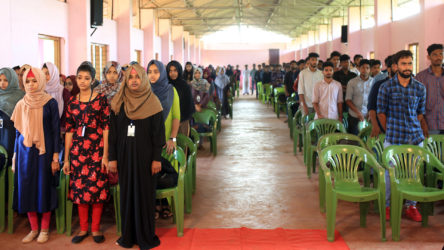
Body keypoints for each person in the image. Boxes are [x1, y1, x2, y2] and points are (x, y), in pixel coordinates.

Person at [109, 64, 164, 249]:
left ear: (143, 79)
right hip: (124, 157)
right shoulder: (119, 102)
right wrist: (112, 158)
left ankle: (145, 237)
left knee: (144, 195)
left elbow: (158, 134)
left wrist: (157, 158)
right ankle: (128, 236)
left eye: (137, 77)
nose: (133, 80)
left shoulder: (153, 102)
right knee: (127, 194)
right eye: (130, 77)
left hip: (146, 158)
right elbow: (113, 134)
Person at [377, 50, 428, 222]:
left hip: (414, 138)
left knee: (413, 173)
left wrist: (411, 127)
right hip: (393, 139)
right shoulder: (386, 87)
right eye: (404, 64)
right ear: (396, 66)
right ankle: (388, 206)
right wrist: (390, 129)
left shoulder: (420, 87)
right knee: (390, 174)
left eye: (409, 63)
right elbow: (381, 113)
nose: (407, 67)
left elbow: (420, 114)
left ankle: (411, 206)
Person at [11, 67, 60, 244]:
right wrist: (15, 157)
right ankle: (33, 229)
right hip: (24, 153)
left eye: (34, 81)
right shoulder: (20, 104)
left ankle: (44, 229)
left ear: (41, 81)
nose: (31, 85)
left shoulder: (50, 103)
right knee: (27, 189)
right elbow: (17, 133)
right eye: (27, 81)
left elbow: (55, 132)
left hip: (44, 154)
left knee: (43, 189)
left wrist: (56, 157)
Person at [63, 62, 110, 244]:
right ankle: (83, 229)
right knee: (80, 191)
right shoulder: (72, 102)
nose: (82, 81)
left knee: (96, 190)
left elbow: (106, 128)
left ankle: (96, 228)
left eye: (87, 78)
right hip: (77, 152)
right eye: (80, 77)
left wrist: (106, 155)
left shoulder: (101, 100)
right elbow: (69, 131)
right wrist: (66, 158)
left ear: (92, 80)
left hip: (97, 151)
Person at [147, 60, 180, 220]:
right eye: (150, 71)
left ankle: (165, 204)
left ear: (162, 73)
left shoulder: (170, 91)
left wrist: (172, 138)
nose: (152, 75)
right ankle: (155, 204)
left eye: (156, 71)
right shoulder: (145, 91)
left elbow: (176, 116)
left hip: (167, 140)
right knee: (150, 171)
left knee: (164, 173)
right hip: (149, 141)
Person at [415, 43, 444, 135]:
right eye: (435, 54)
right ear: (428, 57)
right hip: (429, 124)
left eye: (441, 54)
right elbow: (415, 103)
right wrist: (422, 123)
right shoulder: (420, 77)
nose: (438, 57)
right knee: (430, 149)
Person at [0, 68, 24, 171]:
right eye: (0, 80)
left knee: (9, 162)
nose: (2, 83)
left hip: (12, 134)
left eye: (6, 80)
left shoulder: (20, 95)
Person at [367, 55, 397, 137]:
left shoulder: (406, 86)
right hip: (382, 129)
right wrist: (375, 126)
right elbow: (371, 108)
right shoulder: (379, 85)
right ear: (389, 69)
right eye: (395, 66)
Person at [166, 61, 195, 136]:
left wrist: (180, 120)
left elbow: (189, 104)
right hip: (168, 121)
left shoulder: (184, 85)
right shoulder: (165, 86)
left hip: (183, 121)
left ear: (179, 71)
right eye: (170, 71)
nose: (173, 73)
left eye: (175, 70)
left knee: (183, 144)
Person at [345, 59, 373, 135]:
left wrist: (370, 112)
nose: (365, 70)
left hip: (369, 116)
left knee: (368, 139)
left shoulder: (373, 82)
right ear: (359, 69)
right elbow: (348, 100)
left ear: (370, 69)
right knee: (355, 139)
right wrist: (358, 112)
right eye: (363, 68)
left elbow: (375, 100)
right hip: (354, 116)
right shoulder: (352, 82)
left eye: (367, 68)